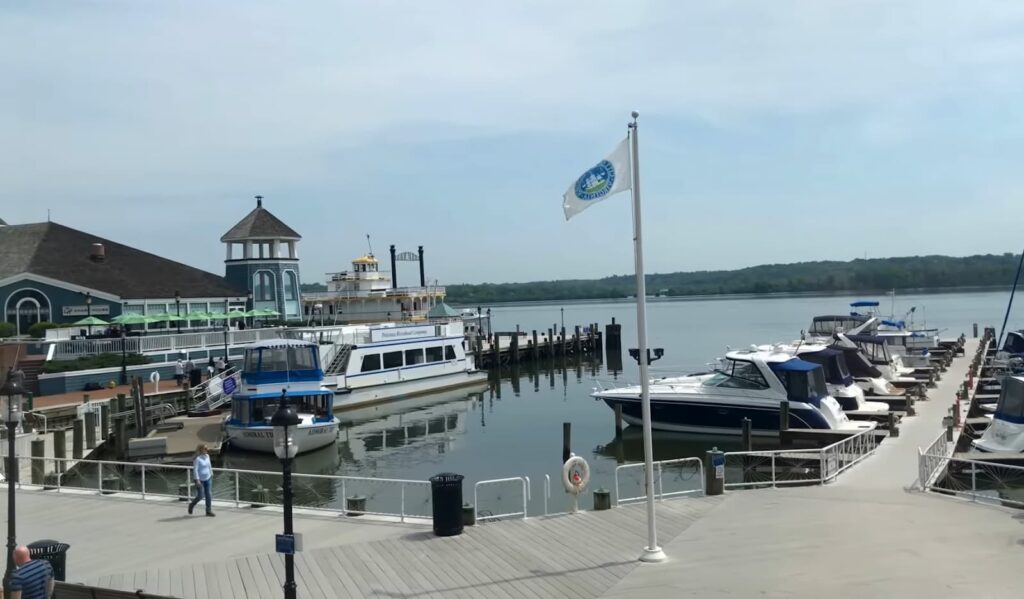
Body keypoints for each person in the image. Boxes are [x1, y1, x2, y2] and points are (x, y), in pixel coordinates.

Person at [187, 443, 215, 517]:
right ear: (200, 450)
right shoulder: (197, 458)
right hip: (200, 480)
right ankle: (191, 505)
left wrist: (211, 474)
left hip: (208, 478)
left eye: (207, 448)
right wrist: (197, 480)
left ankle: (208, 511)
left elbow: (209, 466)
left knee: (209, 494)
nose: (207, 450)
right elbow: (195, 470)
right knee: (200, 496)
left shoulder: (207, 456)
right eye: (205, 448)